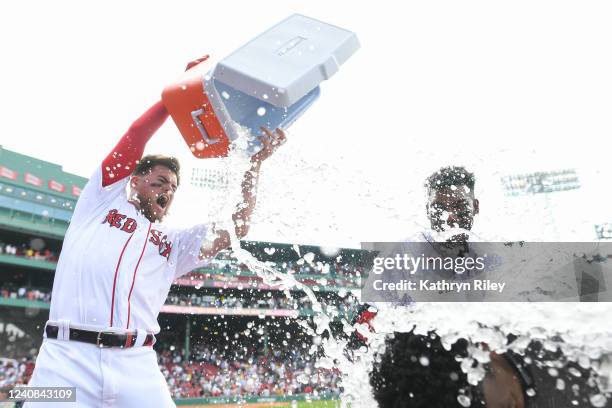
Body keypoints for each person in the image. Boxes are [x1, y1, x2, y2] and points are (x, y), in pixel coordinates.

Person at [24, 56, 286, 407]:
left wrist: (254, 165)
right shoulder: (101, 202)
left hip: (137, 365)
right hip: (63, 359)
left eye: (173, 187)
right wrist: (176, 95)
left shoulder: (174, 243)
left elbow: (238, 226)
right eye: (159, 181)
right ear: (134, 182)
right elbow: (136, 134)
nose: (167, 191)